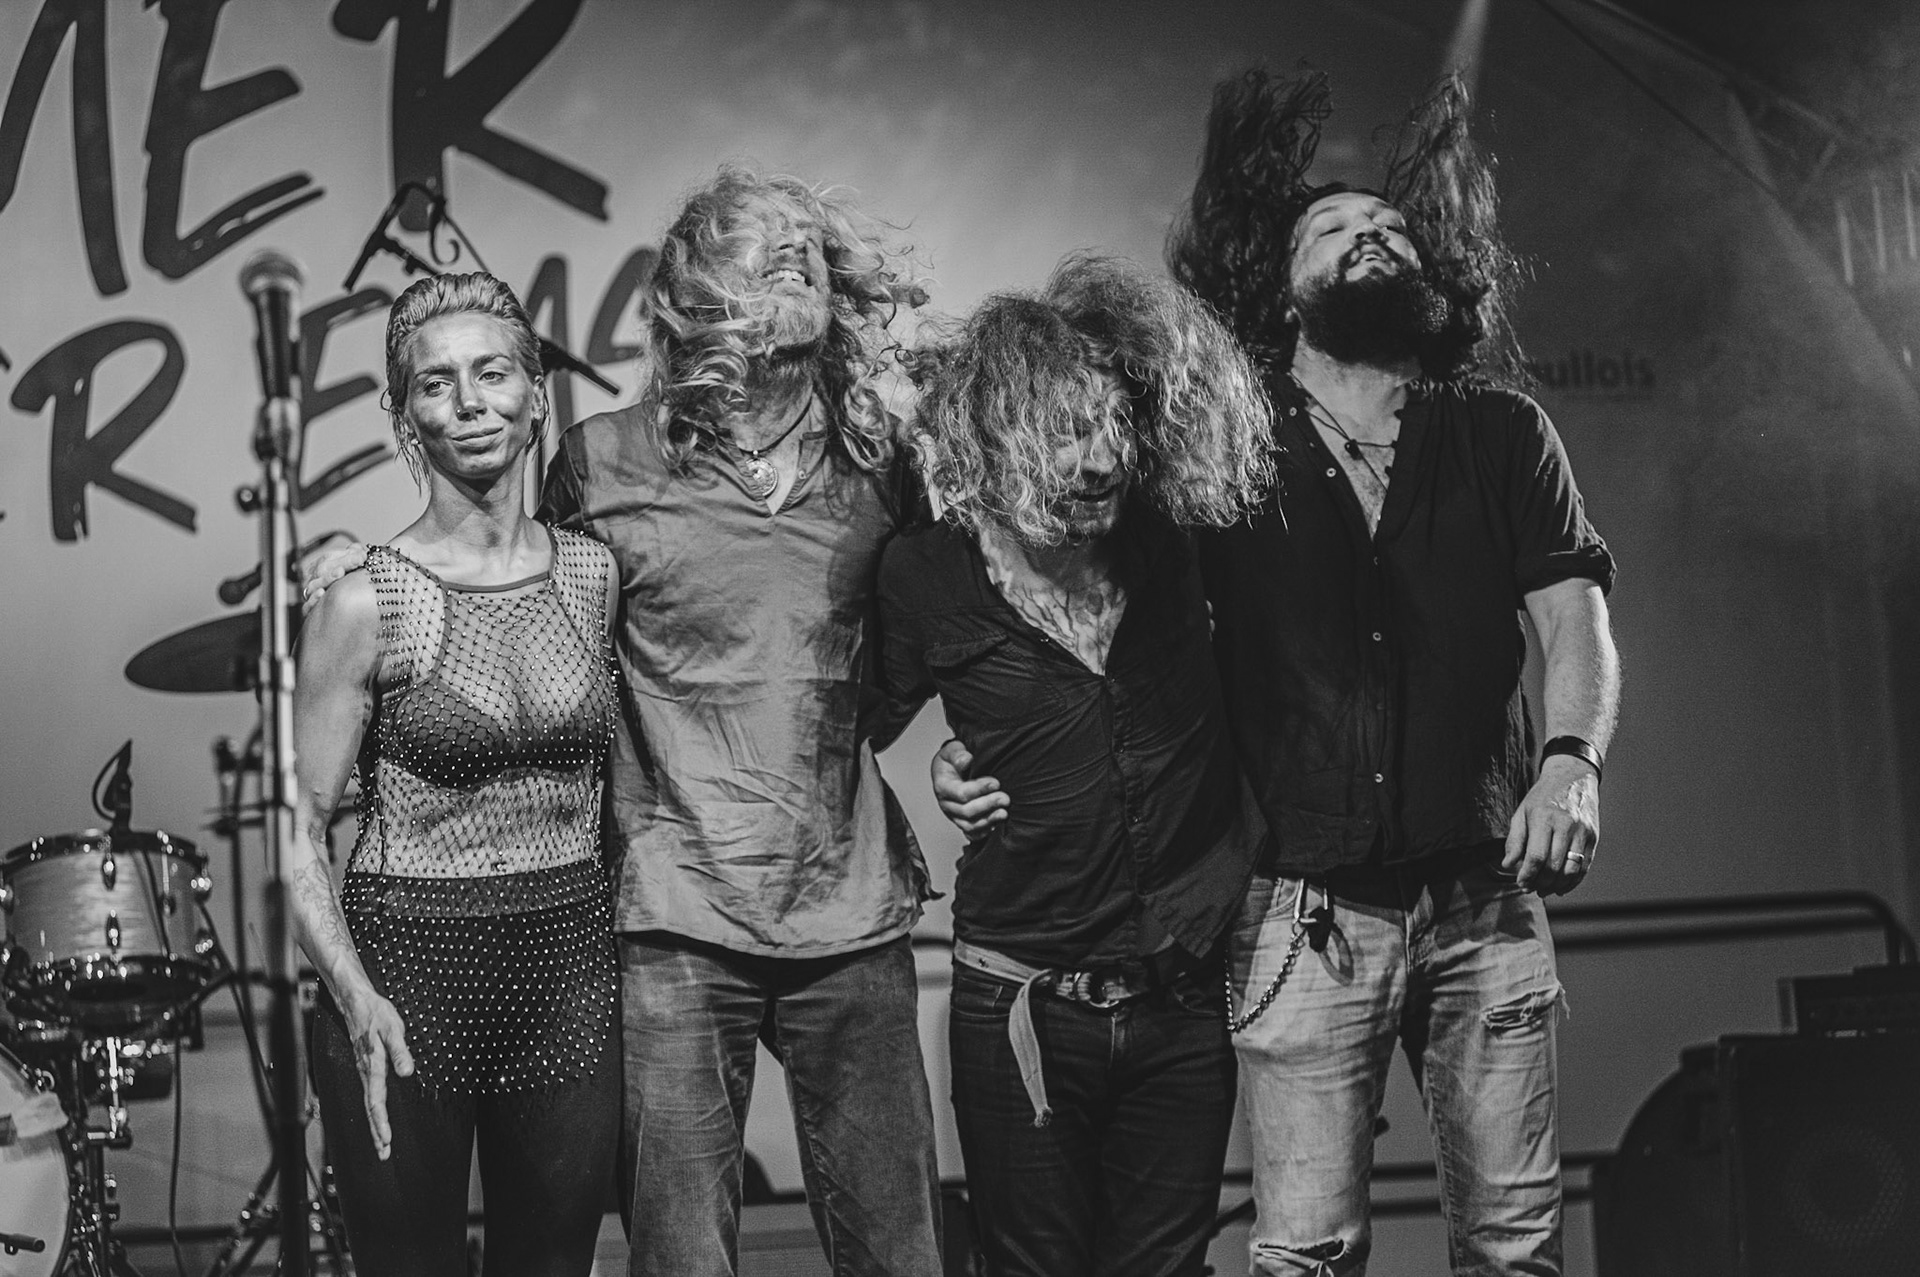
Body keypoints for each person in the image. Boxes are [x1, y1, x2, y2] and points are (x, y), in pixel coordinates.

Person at [536, 166, 945, 1277]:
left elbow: (920, 643)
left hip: (848, 906)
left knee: (901, 1254)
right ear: (690, 292)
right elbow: (545, 654)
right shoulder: (600, 462)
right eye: (759, 246)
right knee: (681, 1259)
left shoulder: (882, 464)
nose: (795, 256)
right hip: (672, 910)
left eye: (807, 247)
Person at [876, 255, 1273, 1277]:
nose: (1099, 461)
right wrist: (928, 782)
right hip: (1020, 997)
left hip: (1182, 995)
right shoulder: (926, 574)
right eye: (1066, 431)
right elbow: (840, 728)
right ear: (997, 435)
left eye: (1113, 427)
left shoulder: (1176, 539)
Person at [290, 271, 620, 1277]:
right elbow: (295, 832)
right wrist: (351, 992)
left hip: (567, 963)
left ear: (536, 395)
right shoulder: (361, 601)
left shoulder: (593, 574)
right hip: (405, 972)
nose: (470, 402)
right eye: (436, 384)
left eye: (492, 373)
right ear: (405, 417)